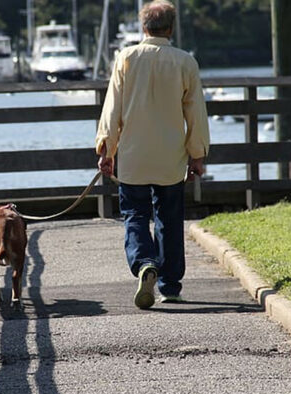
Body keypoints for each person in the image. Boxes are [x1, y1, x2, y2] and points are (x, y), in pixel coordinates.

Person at [95, 0, 210, 309]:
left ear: (143, 26)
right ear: (170, 28)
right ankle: (170, 285)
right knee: (169, 219)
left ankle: (144, 262)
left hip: (133, 156)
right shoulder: (185, 62)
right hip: (170, 157)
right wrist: (197, 154)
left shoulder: (126, 58)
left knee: (134, 214)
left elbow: (112, 110)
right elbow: (196, 113)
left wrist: (107, 148)